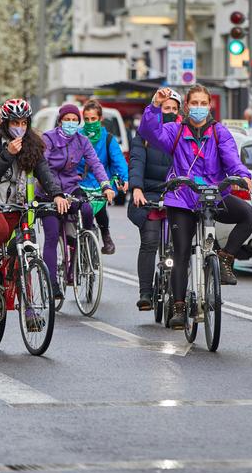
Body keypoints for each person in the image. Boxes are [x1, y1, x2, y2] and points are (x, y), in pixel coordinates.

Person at [140, 85, 252, 328]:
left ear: (210, 106)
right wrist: (154, 106)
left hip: (213, 195)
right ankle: (180, 307)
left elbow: (232, 159)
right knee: (181, 252)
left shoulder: (219, 132)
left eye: (204, 103)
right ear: (187, 106)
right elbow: (149, 132)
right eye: (195, 103)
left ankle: (225, 259)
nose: (200, 108)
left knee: (248, 214)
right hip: (182, 197)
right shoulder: (175, 130)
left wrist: (242, 175)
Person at [0, 99, 70, 312]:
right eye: (15, 123)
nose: (20, 128)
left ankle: (29, 309)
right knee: (1, 230)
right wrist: (8, 154)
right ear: (5, 123)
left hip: (20, 206)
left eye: (24, 123)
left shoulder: (34, 144)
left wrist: (57, 194)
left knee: (24, 253)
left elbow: (44, 172)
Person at [39, 103, 115, 299]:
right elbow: (43, 168)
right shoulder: (48, 139)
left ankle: (82, 244)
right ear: (60, 120)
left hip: (71, 186)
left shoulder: (82, 141)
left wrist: (106, 185)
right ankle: (53, 285)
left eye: (74, 120)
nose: (71, 123)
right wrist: (55, 193)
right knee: (52, 233)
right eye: (67, 119)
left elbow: (95, 163)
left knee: (87, 209)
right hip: (49, 191)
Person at [128, 89, 179, 311]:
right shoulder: (143, 137)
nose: (170, 112)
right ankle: (146, 293)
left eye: (174, 109)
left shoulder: (182, 133)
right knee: (149, 240)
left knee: (182, 245)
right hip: (148, 193)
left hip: (177, 192)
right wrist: (136, 188)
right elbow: (136, 162)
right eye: (165, 108)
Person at [79, 100, 128, 255]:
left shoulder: (108, 139)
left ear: (100, 119)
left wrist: (124, 178)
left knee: (100, 210)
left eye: (93, 119)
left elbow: (119, 160)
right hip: (79, 182)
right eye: (87, 119)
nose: (90, 122)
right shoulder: (77, 136)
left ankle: (106, 236)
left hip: (101, 182)